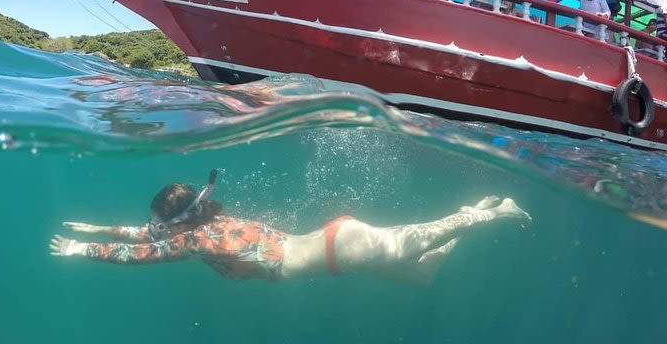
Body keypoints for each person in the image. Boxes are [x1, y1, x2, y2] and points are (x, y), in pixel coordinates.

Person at [50, 170, 531, 284]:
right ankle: (475, 209)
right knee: (422, 271)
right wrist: (94, 227)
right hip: (336, 244)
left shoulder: (199, 238)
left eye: (161, 221)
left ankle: (498, 211)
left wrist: (79, 251)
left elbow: (143, 254)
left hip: (341, 251)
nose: (155, 227)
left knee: (427, 235)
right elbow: (147, 237)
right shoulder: (209, 226)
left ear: (179, 220)